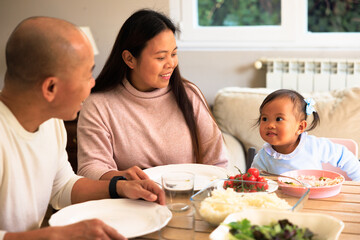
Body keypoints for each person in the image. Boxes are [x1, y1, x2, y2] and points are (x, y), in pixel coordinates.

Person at [0, 16, 165, 240]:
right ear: (51, 87)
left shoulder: (51, 121)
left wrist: (119, 187)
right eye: (87, 75)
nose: (93, 83)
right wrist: (54, 236)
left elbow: (62, 187)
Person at [76, 9, 228, 181]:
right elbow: (90, 169)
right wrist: (124, 180)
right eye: (161, 57)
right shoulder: (98, 104)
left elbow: (217, 162)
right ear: (129, 59)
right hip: (128, 202)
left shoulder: (189, 94)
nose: (171, 64)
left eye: (173, 54)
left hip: (187, 199)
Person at [251, 89, 360, 181]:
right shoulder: (263, 156)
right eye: (264, 118)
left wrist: (357, 182)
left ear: (300, 127)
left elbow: (345, 157)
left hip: (316, 197)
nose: (269, 125)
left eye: (279, 119)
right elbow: (254, 181)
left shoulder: (314, 146)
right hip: (284, 201)